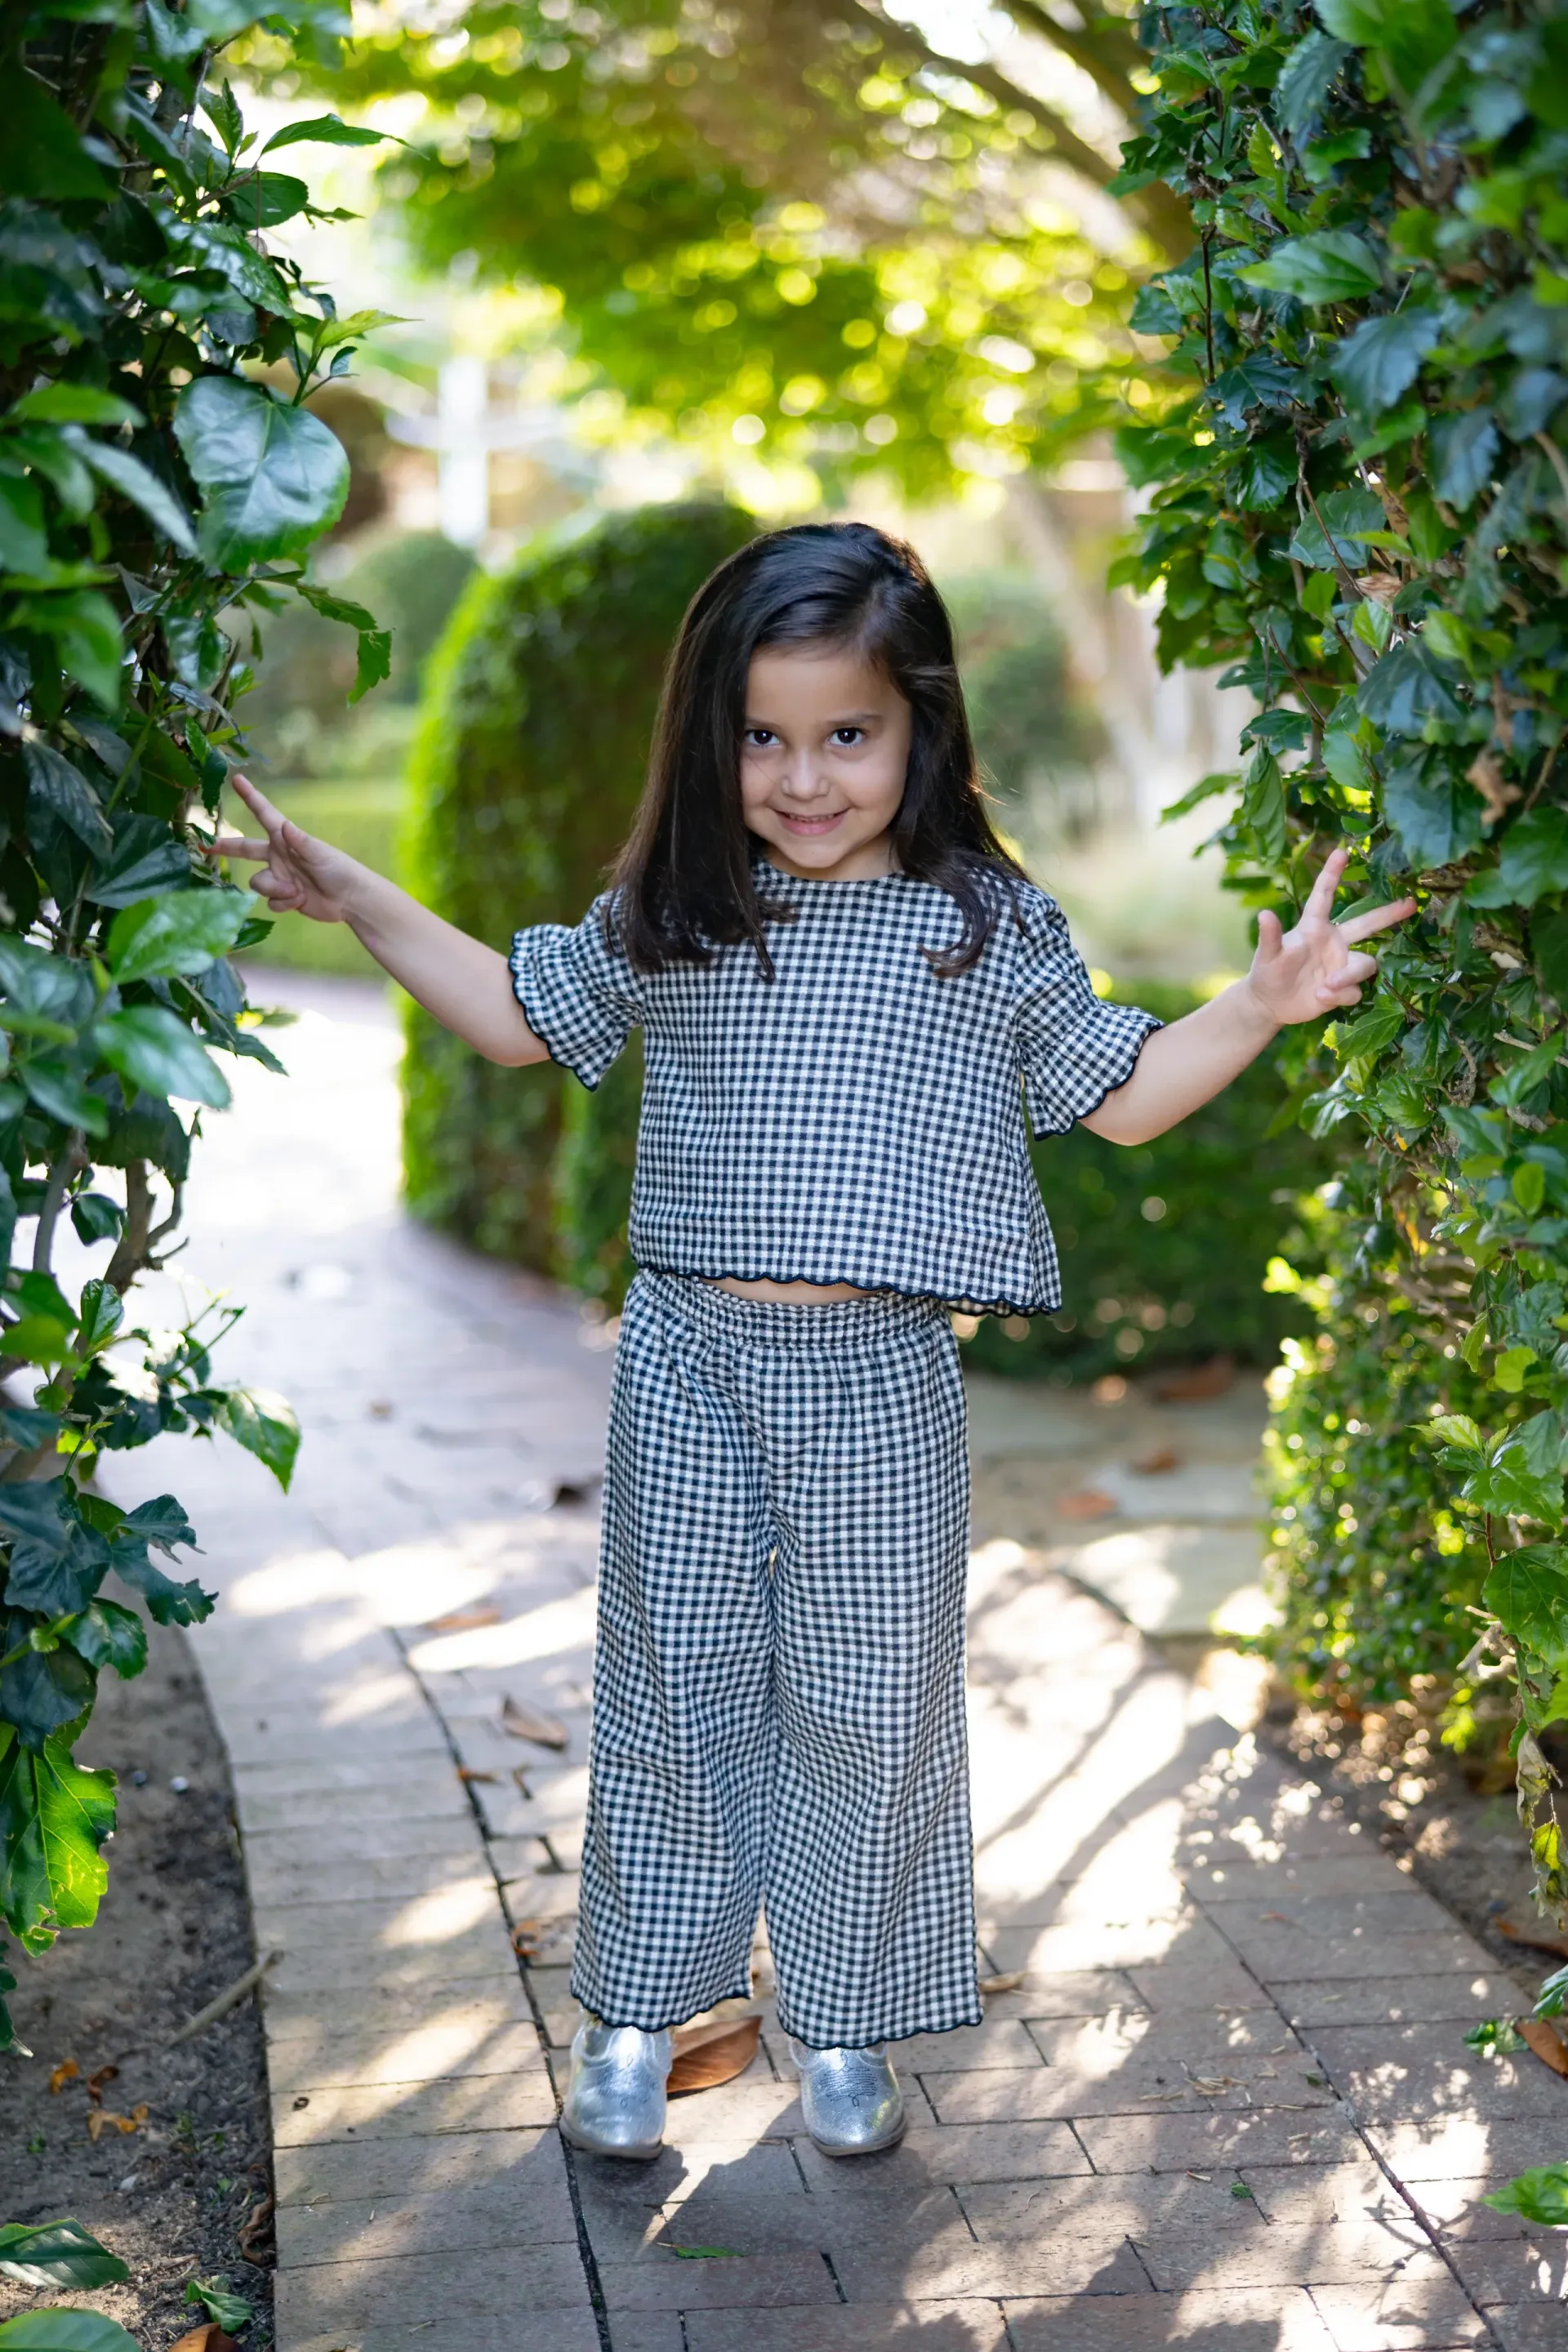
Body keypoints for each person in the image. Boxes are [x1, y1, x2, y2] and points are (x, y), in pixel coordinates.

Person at [212, 520, 1412, 2163]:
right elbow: (510, 1012)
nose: (804, 776)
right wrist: (352, 894)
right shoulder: (683, 906)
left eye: (847, 734)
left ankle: (843, 2023)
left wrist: (1258, 1009)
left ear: (920, 729)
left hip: (881, 1380)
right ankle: (640, 2019)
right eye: (762, 736)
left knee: (871, 1700)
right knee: (673, 1687)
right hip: (692, 1365)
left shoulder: (984, 923)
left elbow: (1122, 1099)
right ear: (713, 739)